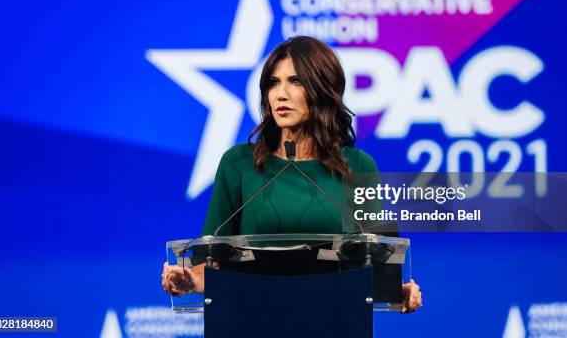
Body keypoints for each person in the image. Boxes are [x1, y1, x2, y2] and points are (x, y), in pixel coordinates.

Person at [162, 36, 422, 313]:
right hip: (250, 319)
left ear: (323, 88)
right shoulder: (239, 163)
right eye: (274, 83)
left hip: (332, 321)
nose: (280, 94)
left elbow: (371, 262)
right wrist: (191, 280)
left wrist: (394, 288)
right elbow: (210, 259)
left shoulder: (357, 166)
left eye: (295, 81)